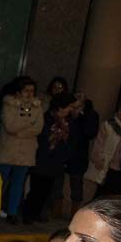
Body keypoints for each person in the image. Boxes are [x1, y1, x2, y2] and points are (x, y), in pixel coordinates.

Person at [0, 77, 45, 222]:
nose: (29, 94)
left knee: (18, 183)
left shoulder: (37, 106)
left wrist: (21, 131)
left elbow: (38, 127)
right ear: (18, 92)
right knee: (0, 183)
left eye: (32, 91)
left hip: (26, 152)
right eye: (26, 91)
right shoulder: (9, 104)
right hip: (8, 150)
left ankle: (12, 212)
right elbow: (10, 126)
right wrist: (28, 124)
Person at [24, 93, 78, 224]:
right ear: (61, 106)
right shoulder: (46, 118)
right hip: (42, 158)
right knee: (36, 188)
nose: (71, 109)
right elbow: (42, 138)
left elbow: (70, 141)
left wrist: (65, 156)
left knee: (47, 189)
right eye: (69, 106)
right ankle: (28, 214)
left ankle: (37, 213)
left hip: (56, 161)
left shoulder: (68, 122)